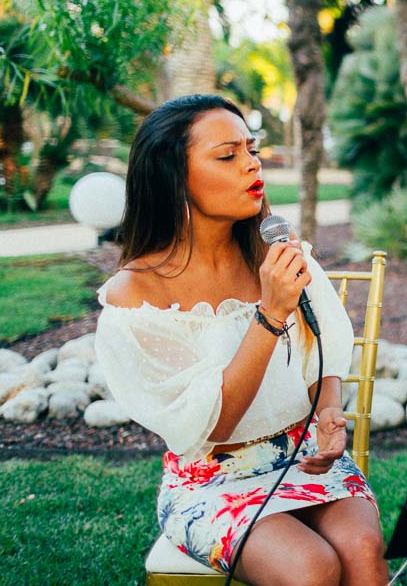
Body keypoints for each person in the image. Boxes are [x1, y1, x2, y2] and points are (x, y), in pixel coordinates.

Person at [94, 95, 389, 586]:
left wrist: (328, 411)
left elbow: (326, 343)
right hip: (212, 480)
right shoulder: (137, 298)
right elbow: (217, 421)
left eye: (251, 150)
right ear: (174, 177)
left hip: (303, 458)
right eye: (227, 155)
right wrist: (271, 313)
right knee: (311, 568)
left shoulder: (273, 251)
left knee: (361, 549)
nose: (252, 164)